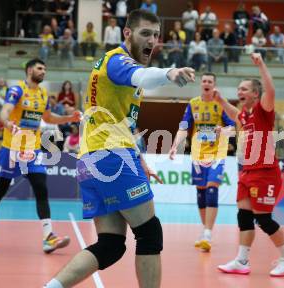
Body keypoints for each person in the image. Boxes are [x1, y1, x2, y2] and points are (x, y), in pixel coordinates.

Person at [44, 9, 195, 288]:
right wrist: (170, 72)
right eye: (145, 33)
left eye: (156, 35)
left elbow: (116, 123)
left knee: (111, 245)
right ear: (127, 33)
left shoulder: (113, 68)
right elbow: (144, 77)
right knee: (150, 233)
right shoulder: (118, 61)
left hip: (91, 159)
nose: (152, 40)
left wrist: (140, 160)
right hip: (112, 157)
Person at [0, 59, 81, 252]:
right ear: (29, 70)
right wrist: (8, 124)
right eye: (40, 68)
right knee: (1, 189)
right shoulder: (17, 91)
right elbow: (4, 113)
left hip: (33, 150)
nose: (44, 71)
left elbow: (48, 118)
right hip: (12, 148)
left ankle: (49, 236)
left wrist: (69, 118)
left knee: (41, 187)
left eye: (45, 69)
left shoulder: (43, 93)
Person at [215, 53, 284, 276]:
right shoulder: (245, 116)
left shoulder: (263, 111)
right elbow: (235, 115)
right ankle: (241, 261)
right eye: (238, 89)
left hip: (266, 172)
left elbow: (270, 91)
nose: (239, 92)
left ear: (255, 94)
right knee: (243, 216)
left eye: (244, 89)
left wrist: (261, 64)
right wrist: (219, 100)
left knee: (263, 218)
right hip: (247, 172)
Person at [169, 72, 235, 252]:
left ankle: (207, 233)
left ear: (214, 85)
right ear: (201, 84)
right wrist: (176, 145)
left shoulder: (220, 105)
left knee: (212, 187)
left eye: (210, 81)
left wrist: (224, 130)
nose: (206, 83)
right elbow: (184, 126)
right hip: (198, 154)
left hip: (217, 153)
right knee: (201, 192)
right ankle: (205, 230)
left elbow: (234, 128)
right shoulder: (193, 104)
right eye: (204, 81)